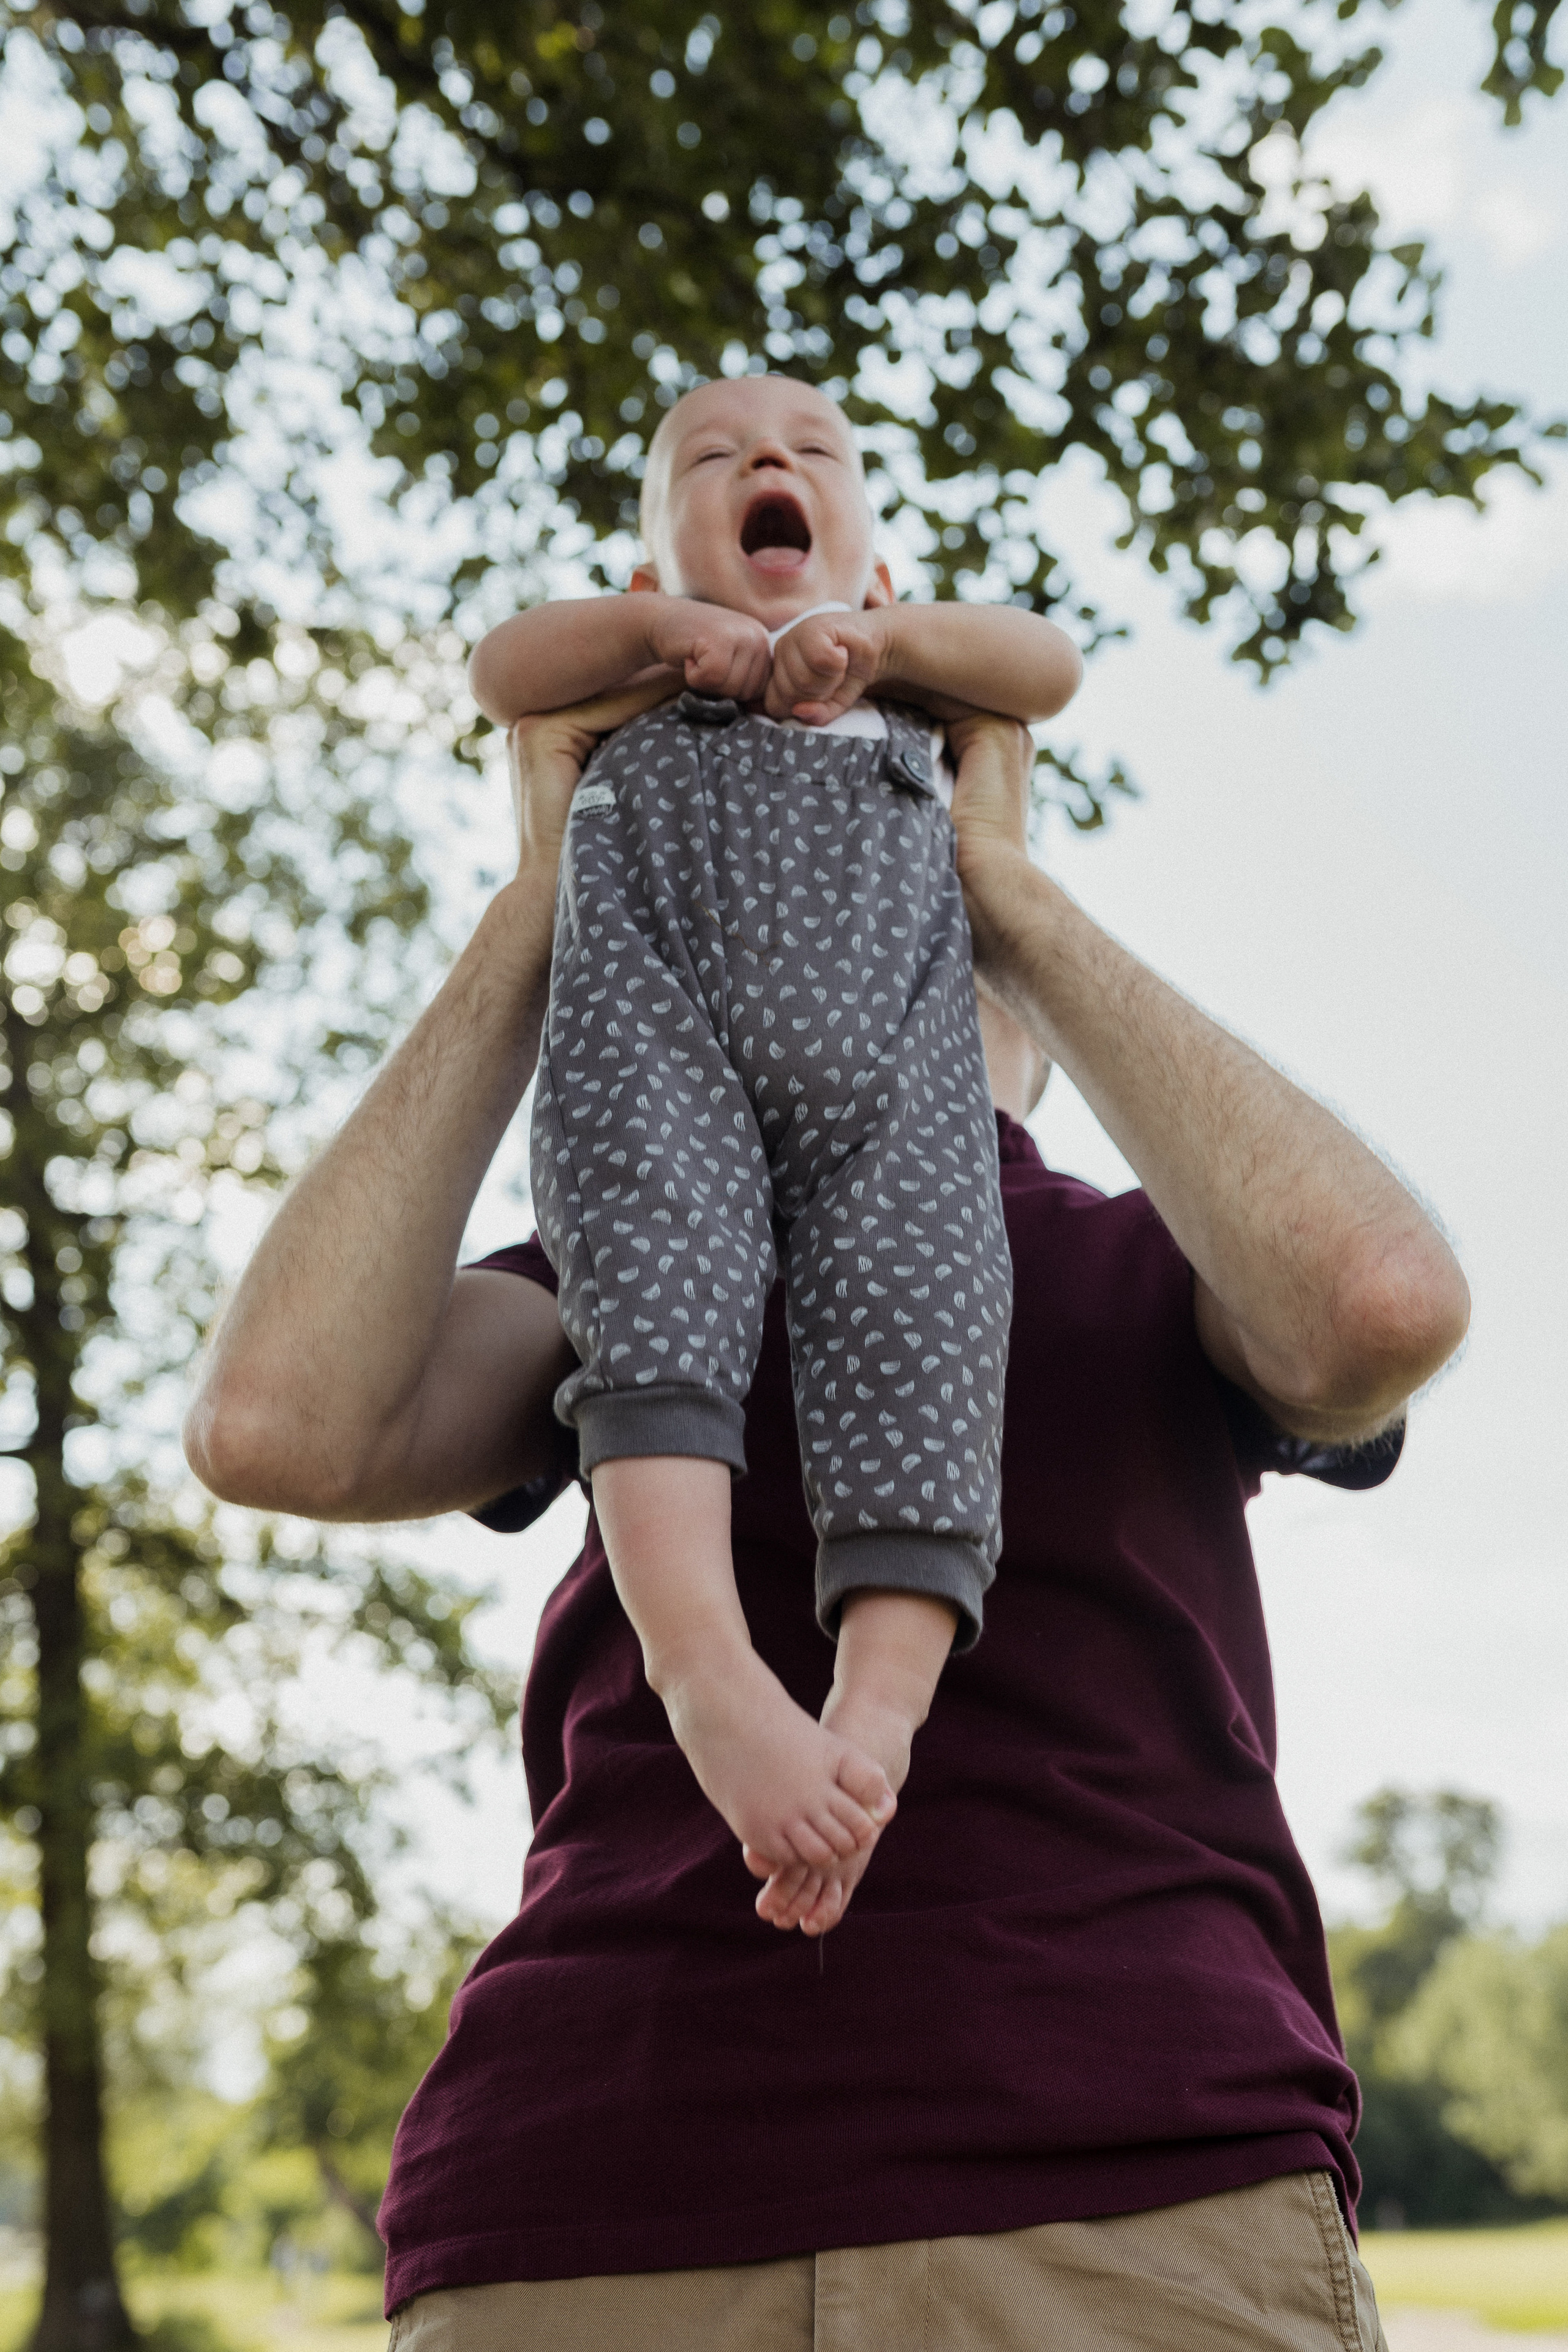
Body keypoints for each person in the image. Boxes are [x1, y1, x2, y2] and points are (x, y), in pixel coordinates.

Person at [184, 696, 1469, 2349]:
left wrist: (1003, 890)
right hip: (601, 2197)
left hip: (1128, 2184)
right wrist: (547, 907)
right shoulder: (632, 1267)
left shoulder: (1154, 1260)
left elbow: (1381, 1302)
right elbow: (274, 1422)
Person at [466, 374, 1083, 1933]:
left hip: (894, 1075)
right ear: (648, 564)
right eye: (714, 455)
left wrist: (890, 648)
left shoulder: (900, 692)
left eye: (815, 453)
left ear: (868, 571)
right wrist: (655, 644)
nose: (768, 462)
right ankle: (707, 1668)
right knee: (648, 1323)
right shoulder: (631, 688)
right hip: (657, 1036)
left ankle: (876, 1717)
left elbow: (1046, 665)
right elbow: (500, 668)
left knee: (930, 1318)